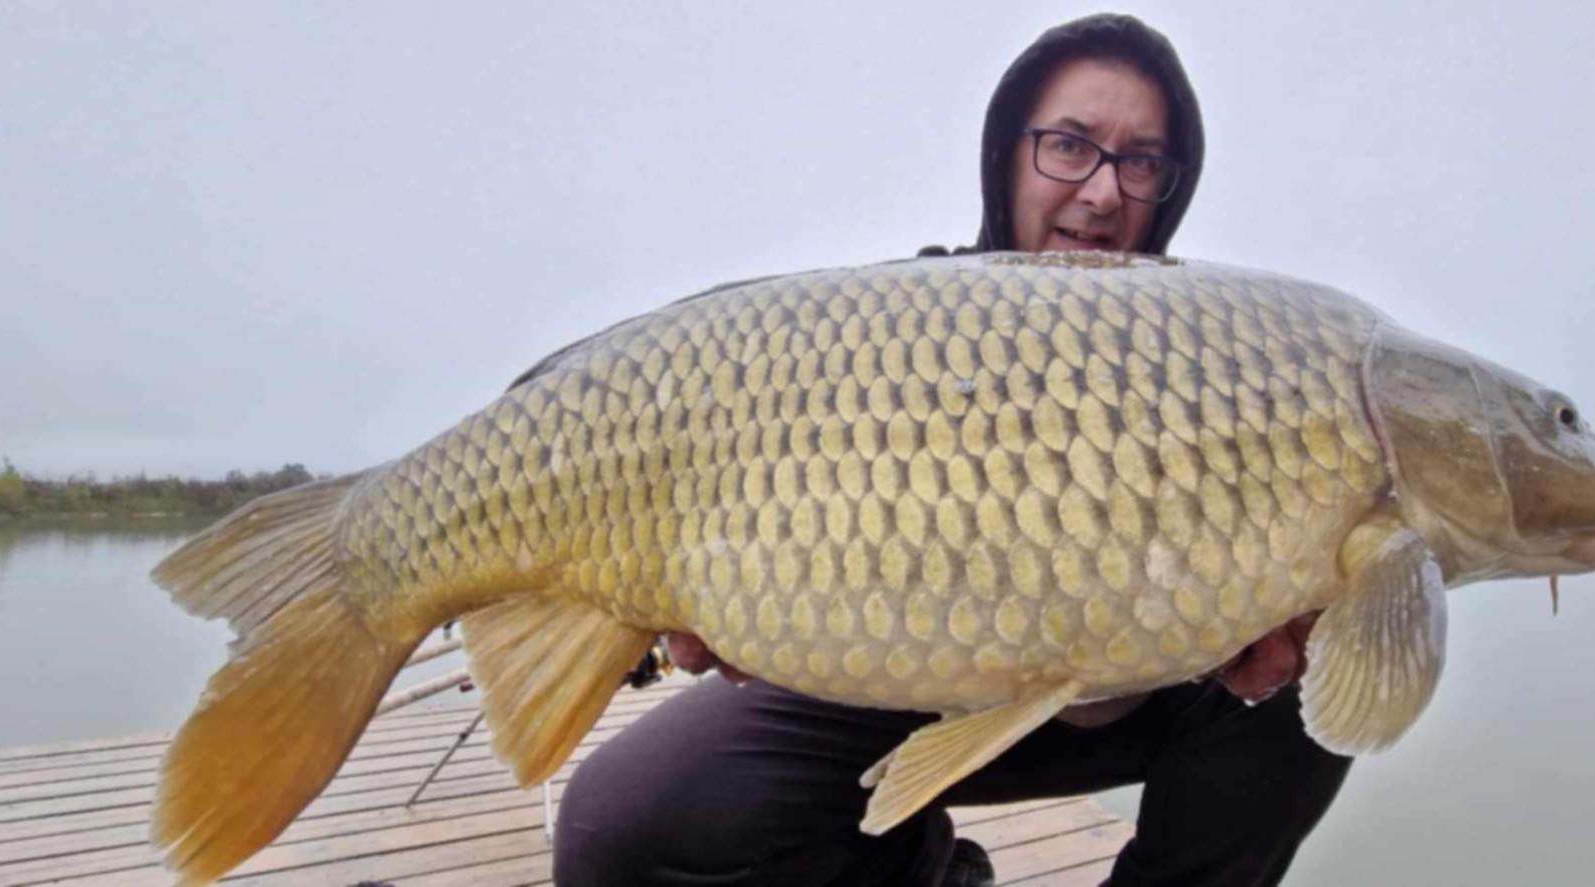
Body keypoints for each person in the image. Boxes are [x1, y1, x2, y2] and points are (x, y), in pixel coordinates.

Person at [552, 14, 1351, 887]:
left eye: (1142, 162)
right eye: (1070, 146)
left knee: (1341, 643)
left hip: (1133, 683)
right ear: (1007, 154)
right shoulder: (905, 327)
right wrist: (729, 590)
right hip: (895, 662)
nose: (1102, 191)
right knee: (621, 820)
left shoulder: (1204, 356)